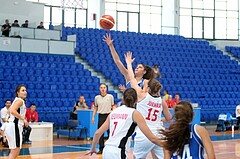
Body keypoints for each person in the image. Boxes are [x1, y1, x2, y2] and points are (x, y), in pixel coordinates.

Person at [87, 88, 165, 158]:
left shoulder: (114, 112)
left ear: (123, 99)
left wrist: (93, 148)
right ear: (136, 100)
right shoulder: (135, 113)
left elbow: (97, 133)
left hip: (106, 150)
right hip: (119, 151)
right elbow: (152, 138)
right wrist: (169, 145)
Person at [125, 52, 172, 159]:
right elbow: (169, 118)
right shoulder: (162, 101)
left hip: (144, 133)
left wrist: (128, 63)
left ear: (149, 88)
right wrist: (160, 120)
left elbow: (132, 79)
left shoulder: (142, 96)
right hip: (159, 133)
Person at [5, 84, 28, 159]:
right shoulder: (19, 101)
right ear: (18, 92)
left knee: (15, 150)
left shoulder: (16, 100)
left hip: (12, 126)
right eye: (23, 90)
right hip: (14, 126)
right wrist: (23, 119)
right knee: (15, 150)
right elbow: (12, 110)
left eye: (25, 90)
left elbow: (9, 111)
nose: (25, 92)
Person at [91, 83, 114, 154]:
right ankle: (101, 149)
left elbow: (112, 107)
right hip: (101, 115)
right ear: (99, 89)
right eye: (101, 87)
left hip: (108, 115)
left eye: (104, 87)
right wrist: (93, 117)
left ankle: (111, 148)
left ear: (106, 88)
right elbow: (95, 108)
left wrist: (113, 115)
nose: (103, 89)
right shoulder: (97, 98)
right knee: (100, 133)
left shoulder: (110, 97)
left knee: (110, 133)